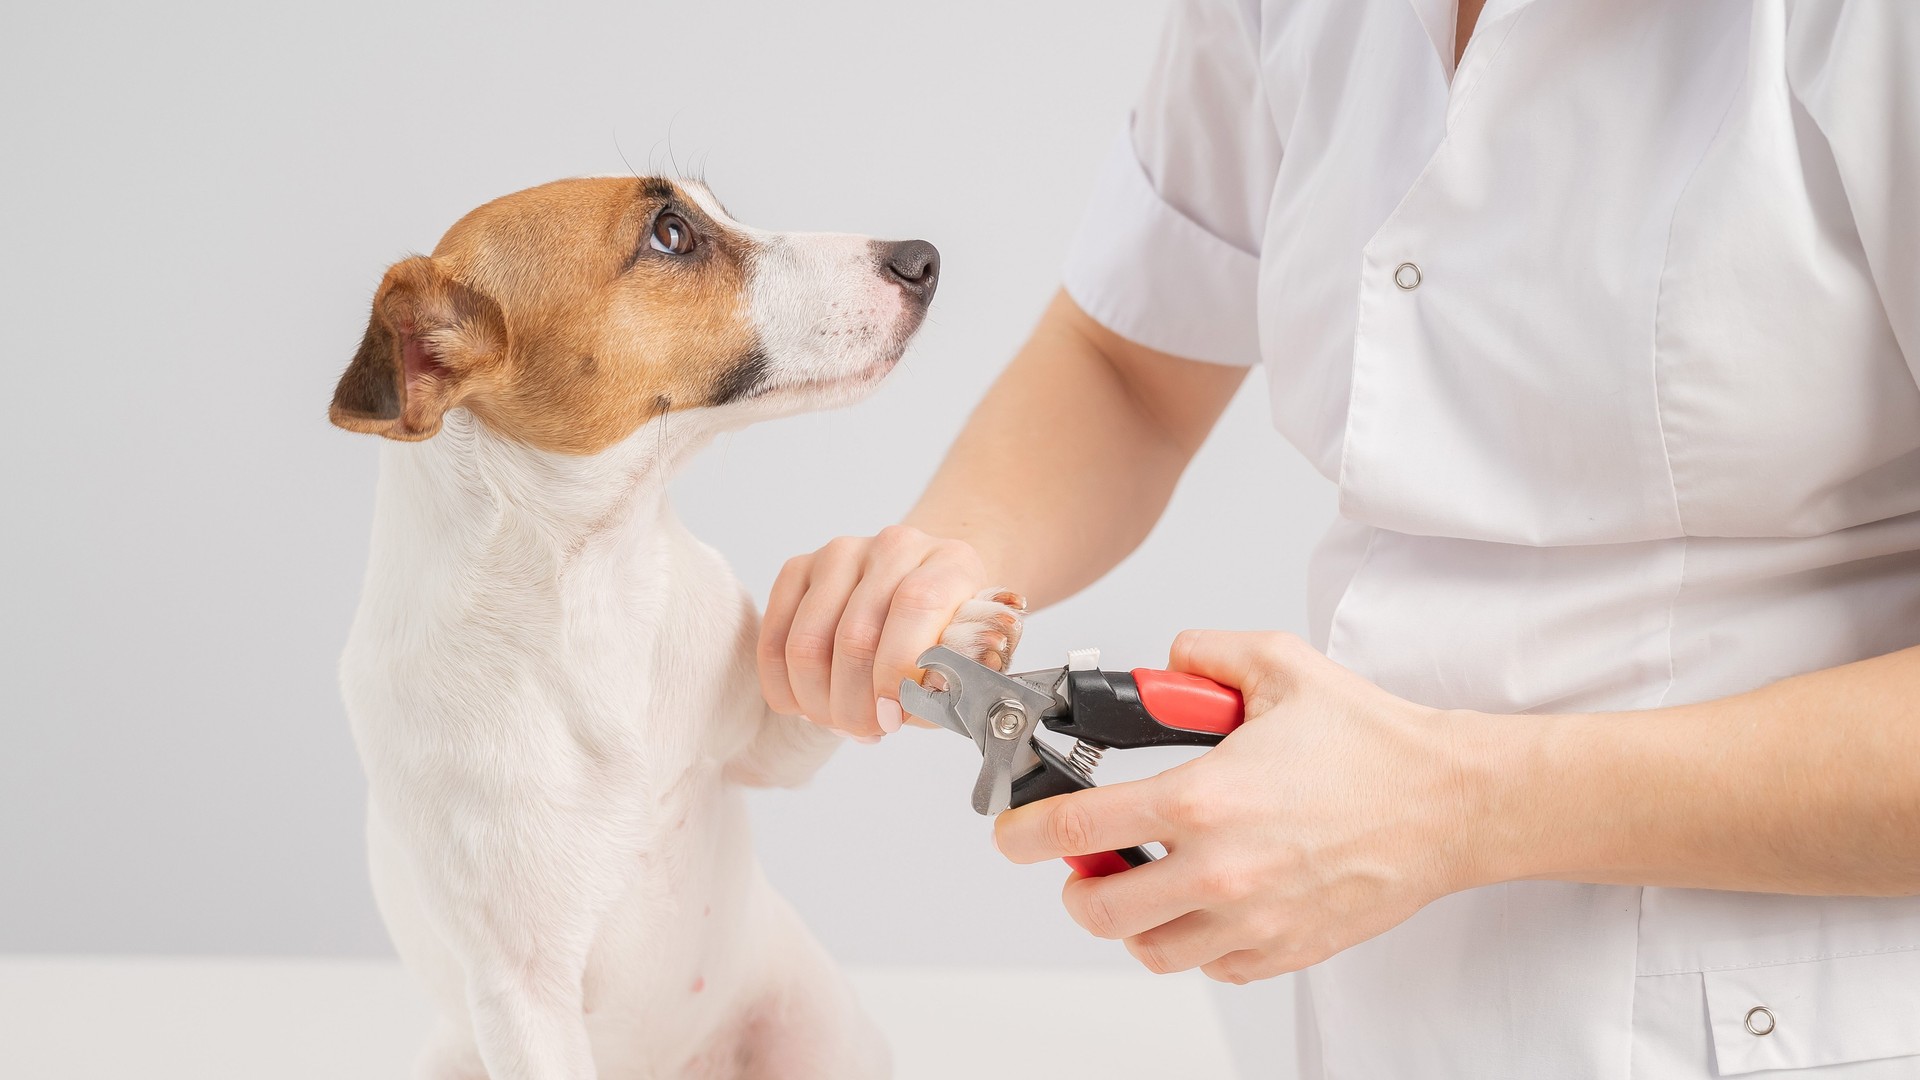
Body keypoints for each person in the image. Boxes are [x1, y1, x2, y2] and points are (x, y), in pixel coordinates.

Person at [758, 1, 1920, 1075]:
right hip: (1389, 1013)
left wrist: (1458, 804)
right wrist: (948, 558)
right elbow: (1131, 364)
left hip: (1789, 1016)